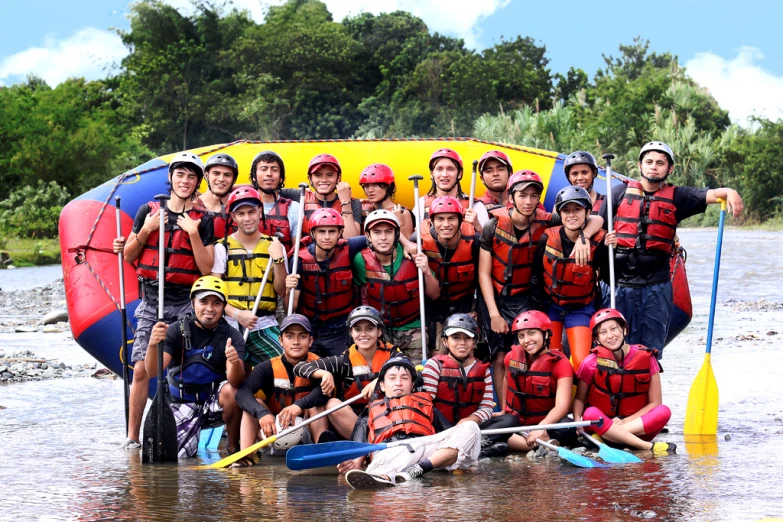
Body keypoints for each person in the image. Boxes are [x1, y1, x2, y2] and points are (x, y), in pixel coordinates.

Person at [600, 141, 743, 356]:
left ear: (670, 169)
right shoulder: (618, 193)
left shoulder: (678, 196)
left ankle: (649, 384)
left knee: (650, 349)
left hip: (656, 286)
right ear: (640, 165)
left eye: (660, 163)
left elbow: (712, 195)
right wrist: (603, 240)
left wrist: (730, 191)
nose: (653, 167)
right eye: (649, 162)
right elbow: (598, 228)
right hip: (619, 284)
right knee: (616, 347)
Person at [114, 151, 215, 450]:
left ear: (197, 183)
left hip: (185, 302)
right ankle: (133, 436)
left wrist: (193, 234)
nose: (185, 181)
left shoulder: (203, 220)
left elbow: (206, 268)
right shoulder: (148, 211)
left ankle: (187, 428)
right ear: (170, 178)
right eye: (180, 175)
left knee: (185, 367)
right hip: (151, 301)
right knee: (143, 368)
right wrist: (146, 229)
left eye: (191, 177)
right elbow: (130, 256)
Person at [478, 170, 602, 406]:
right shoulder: (493, 226)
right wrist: (494, 314)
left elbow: (595, 219)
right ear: (511, 197)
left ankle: (536, 405)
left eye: (534, 196)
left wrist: (584, 237)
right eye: (522, 196)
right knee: (500, 356)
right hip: (495, 297)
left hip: (526, 297)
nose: (528, 202)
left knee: (525, 353)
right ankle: (505, 409)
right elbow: (483, 273)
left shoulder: (549, 220)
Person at [338, 355, 482, 488]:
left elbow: (451, 436)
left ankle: (417, 469)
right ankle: (383, 476)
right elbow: (358, 447)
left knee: (470, 427)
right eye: (392, 378)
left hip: (425, 449)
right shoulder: (370, 411)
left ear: (412, 385)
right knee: (388, 460)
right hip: (391, 449)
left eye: (404, 378)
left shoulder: (428, 406)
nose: (398, 383)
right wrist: (355, 462)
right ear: (382, 385)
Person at [143, 276, 245, 458]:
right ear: (193, 303)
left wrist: (235, 361)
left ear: (223, 307)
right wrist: (152, 344)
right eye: (203, 302)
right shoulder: (175, 330)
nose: (210, 309)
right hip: (181, 403)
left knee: (232, 391)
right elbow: (152, 371)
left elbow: (235, 381)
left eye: (216, 303)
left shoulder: (232, 335)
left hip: (213, 404)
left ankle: (233, 449)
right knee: (180, 462)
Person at [533, 186, 614, 371]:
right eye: (566, 210)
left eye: (577, 210)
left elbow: (608, 277)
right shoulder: (547, 238)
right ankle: (558, 398)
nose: (571, 215)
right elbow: (536, 276)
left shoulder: (599, 240)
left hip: (581, 307)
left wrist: (613, 251)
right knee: (550, 361)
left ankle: (580, 399)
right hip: (551, 305)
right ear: (559, 214)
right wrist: (539, 309)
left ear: (587, 212)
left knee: (581, 363)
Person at [573, 308, 675, 453]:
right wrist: (578, 420)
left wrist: (623, 423)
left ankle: (609, 437)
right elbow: (579, 399)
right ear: (596, 339)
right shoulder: (590, 363)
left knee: (664, 411)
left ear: (624, 330)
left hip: (631, 426)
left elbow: (656, 403)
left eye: (614, 329)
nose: (610, 336)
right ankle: (646, 447)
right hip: (602, 422)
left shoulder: (647, 358)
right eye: (603, 332)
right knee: (590, 413)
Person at [234, 314, 330, 466]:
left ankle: (321, 455)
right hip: (273, 431)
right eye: (290, 336)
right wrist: (262, 413)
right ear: (281, 340)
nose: (296, 342)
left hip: (305, 431)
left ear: (310, 341)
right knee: (253, 404)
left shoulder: (321, 364)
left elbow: (324, 393)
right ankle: (246, 457)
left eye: (302, 336)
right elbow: (242, 393)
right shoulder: (266, 367)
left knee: (316, 405)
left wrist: (299, 406)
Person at [293, 306, 399, 439]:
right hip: (357, 421)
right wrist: (324, 374)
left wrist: (380, 380)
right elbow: (299, 367)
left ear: (379, 332)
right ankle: (365, 445)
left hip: (388, 416)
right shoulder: (344, 361)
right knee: (332, 404)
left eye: (369, 329)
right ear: (351, 333)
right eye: (357, 329)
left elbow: (412, 373)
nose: (363, 334)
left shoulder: (394, 355)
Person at [422, 314, 520, 457]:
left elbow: (486, 407)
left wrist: (468, 421)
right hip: (441, 429)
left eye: (467, 338)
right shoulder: (434, 365)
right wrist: (453, 430)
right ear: (445, 341)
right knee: (431, 410)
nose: (462, 342)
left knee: (510, 420)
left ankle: (466, 448)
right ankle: (475, 450)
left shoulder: (483, 369)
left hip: (470, 427)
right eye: (456, 337)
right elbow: (425, 403)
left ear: (474, 342)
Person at [210, 186, 287, 366]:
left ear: (260, 211)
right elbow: (214, 294)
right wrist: (237, 314)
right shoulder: (222, 247)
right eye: (241, 213)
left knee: (285, 364)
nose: (247, 218)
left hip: (264, 324)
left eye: (252, 212)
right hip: (230, 324)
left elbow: (281, 290)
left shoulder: (274, 245)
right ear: (233, 217)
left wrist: (279, 260)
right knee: (229, 375)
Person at [352, 210, 440, 364]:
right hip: (381, 329)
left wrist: (426, 271)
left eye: (388, 232)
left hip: (414, 326)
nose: (383, 238)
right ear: (368, 236)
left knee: (416, 374)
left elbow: (434, 295)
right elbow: (363, 298)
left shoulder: (413, 255)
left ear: (397, 234)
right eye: (377, 232)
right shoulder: (361, 260)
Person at [285, 208, 372, 356]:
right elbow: (290, 307)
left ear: (339, 233)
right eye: (321, 232)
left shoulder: (348, 248)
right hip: (310, 328)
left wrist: (407, 243)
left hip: (340, 328)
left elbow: (377, 235)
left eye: (332, 231)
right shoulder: (299, 260)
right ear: (312, 233)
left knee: (342, 369)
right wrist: (288, 291)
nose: (327, 237)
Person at [503, 310, 577, 452]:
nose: (526, 340)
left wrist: (541, 427)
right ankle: (536, 444)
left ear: (546, 334)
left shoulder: (561, 363)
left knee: (567, 428)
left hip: (545, 421)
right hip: (517, 421)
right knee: (503, 422)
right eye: (521, 336)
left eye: (532, 333)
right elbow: (506, 381)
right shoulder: (511, 358)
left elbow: (562, 406)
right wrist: (502, 409)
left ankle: (524, 442)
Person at [414, 196, 480, 350]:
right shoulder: (418, 241)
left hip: (465, 304)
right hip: (435, 306)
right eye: (440, 219)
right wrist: (406, 245)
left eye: (452, 219)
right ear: (431, 222)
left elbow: (482, 279)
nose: (446, 224)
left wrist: (476, 311)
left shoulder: (474, 241)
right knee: (439, 354)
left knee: (465, 352)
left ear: (460, 221)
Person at [279, 153, 362, 238]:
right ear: (310, 179)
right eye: (318, 175)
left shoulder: (353, 202)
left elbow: (351, 240)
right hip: (307, 250)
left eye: (330, 175)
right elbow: (270, 191)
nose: (324, 180)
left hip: (339, 251)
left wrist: (345, 203)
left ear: (339, 178)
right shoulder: (300, 195)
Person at [419, 148, 485, 231]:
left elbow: (488, 243)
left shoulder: (476, 206)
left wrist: (477, 226)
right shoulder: (421, 204)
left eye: (450, 169)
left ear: (459, 174)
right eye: (439, 169)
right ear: (432, 174)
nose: (445, 174)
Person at [248, 150, 301, 253]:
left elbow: (296, 253)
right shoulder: (241, 206)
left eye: (274, 169)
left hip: (281, 266)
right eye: (263, 169)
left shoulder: (294, 208)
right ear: (254, 176)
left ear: (281, 178)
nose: (269, 174)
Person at [359, 163, 415, 238]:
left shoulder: (403, 212)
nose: (370, 190)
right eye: (366, 186)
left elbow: (409, 246)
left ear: (388, 187)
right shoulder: (362, 209)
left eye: (375, 185)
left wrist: (399, 222)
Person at [200, 153, 239, 245]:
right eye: (216, 173)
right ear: (206, 175)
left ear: (234, 179)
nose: (221, 179)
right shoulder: (193, 204)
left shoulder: (239, 208)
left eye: (227, 175)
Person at [476, 150, 513, 224]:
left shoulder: (526, 201)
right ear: (482, 178)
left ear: (510, 173)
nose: (495, 174)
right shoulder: (476, 206)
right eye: (489, 171)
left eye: (500, 169)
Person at [564, 151, 604, 215]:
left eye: (584, 172)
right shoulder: (562, 204)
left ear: (593, 174)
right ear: (569, 177)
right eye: (575, 174)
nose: (580, 178)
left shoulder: (607, 203)